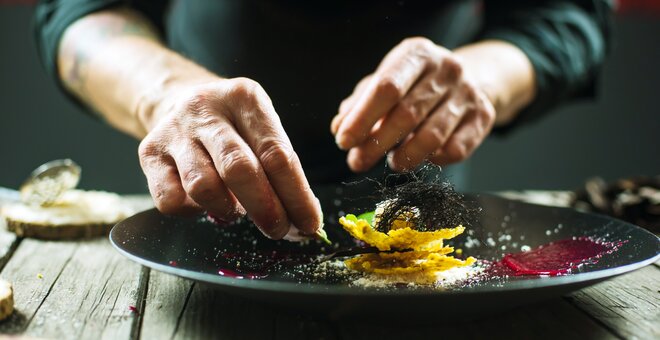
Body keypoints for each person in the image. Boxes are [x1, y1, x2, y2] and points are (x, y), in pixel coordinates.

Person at [34, 0, 611, 240]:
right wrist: (163, 93)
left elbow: (564, 15)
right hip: (203, 201)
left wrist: (476, 80)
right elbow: (78, 9)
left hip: (419, 191)